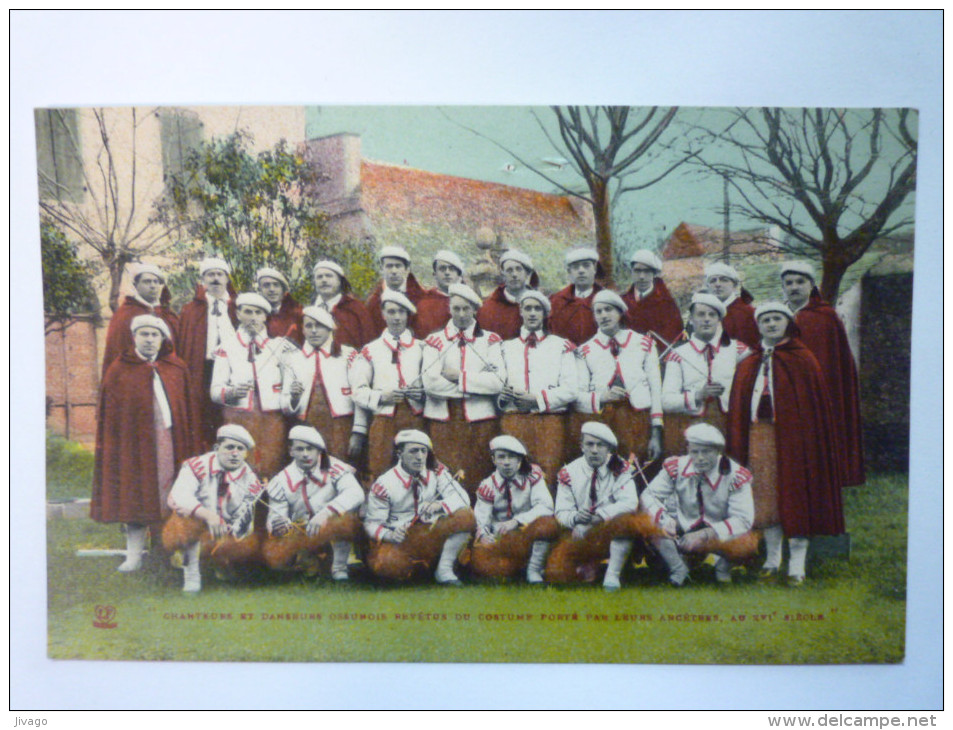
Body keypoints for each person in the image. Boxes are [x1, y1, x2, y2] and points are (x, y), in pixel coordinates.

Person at [726, 302, 845, 585]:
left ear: (787, 322)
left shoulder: (802, 359)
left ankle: (797, 565)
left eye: (776, 318)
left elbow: (813, 407)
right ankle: (771, 560)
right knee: (765, 498)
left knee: (796, 496)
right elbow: (740, 405)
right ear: (758, 326)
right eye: (765, 320)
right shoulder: (749, 362)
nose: (770, 324)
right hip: (759, 437)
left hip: (795, 440)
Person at [91, 315, 195, 572]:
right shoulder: (119, 369)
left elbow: (187, 410)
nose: (150, 340)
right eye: (144, 334)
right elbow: (112, 416)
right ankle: (134, 554)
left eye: (155, 335)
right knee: (136, 493)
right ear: (134, 337)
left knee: (170, 493)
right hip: (135, 446)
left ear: (163, 339)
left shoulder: (176, 368)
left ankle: (171, 551)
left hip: (170, 442)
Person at [780, 261, 865, 487]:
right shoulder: (779, 313)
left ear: (812, 285)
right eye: (789, 283)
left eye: (800, 282)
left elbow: (831, 357)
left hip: (820, 386)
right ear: (783, 287)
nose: (794, 287)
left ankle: (823, 477)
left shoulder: (824, 316)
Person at [641, 423, 757, 586]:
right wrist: (664, 519)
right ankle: (679, 569)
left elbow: (743, 519)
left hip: (718, 534)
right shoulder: (676, 467)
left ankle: (722, 569)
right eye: (695, 452)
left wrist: (705, 534)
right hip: (683, 528)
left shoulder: (735, 474)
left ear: (718, 451)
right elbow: (649, 496)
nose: (700, 457)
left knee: (748, 543)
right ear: (688, 450)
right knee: (649, 524)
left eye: (706, 452)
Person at [546, 422, 655, 590]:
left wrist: (601, 515)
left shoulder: (620, 468)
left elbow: (630, 502)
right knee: (557, 574)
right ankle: (590, 564)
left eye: (600, 445)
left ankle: (612, 575)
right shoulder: (568, 473)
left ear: (608, 449)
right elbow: (561, 511)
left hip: (611, 528)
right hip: (582, 532)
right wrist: (575, 517)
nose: (595, 450)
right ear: (581, 446)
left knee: (627, 522)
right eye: (590, 444)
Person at [422, 283, 504, 497]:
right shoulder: (434, 341)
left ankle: (478, 520)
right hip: (443, 420)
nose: (460, 314)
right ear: (449, 308)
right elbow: (430, 384)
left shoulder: (490, 341)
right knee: (445, 473)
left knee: (478, 472)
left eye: (466, 309)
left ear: (475, 310)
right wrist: (476, 386)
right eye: (456, 308)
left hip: (480, 421)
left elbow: (497, 382)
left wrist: (460, 377)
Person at [363, 430, 475, 585]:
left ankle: (444, 570)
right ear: (399, 453)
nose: (420, 456)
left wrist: (440, 505)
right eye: (413, 451)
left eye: (424, 451)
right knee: (387, 565)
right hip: (402, 538)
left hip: (430, 531)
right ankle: (418, 567)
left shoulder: (436, 472)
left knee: (465, 516)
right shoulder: (384, 484)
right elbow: (371, 524)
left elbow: (463, 498)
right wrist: (390, 535)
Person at [162, 424, 264, 592]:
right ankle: (192, 574)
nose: (235, 453)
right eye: (229, 447)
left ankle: (220, 562)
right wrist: (209, 516)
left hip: (219, 530)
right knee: (187, 521)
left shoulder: (249, 478)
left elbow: (246, 518)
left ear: (246, 453)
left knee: (247, 542)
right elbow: (177, 497)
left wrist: (234, 527)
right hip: (192, 526)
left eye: (240, 449)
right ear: (217, 448)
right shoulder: (197, 466)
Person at [209, 292, 294, 481]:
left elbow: (291, 382)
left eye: (258, 312)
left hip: (271, 418)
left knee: (271, 465)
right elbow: (215, 391)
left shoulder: (279, 346)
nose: (253, 317)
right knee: (241, 467)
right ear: (238, 314)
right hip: (239, 416)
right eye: (247, 312)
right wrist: (231, 392)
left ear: (265, 316)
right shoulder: (227, 347)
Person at [261, 425, 364, 580]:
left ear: (319, 451)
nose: (305, 454)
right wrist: (277, 524)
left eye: (310, 449)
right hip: (301, 530)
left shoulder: (334, 466)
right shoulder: (280, 480)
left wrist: (325, 513)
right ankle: (309, 561)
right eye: (300, 449)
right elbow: (275, 514)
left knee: (345, 520)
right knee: (275, 555)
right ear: (291, 451)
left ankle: (339, 566)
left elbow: (356, 493)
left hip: (330, 525)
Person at [574, 289, 664, 464]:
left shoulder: (643, 344)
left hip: (639, 419)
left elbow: (655, 389)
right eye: (598, 311)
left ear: (620, 312)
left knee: (639, 468)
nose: (604, 315)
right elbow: (578, 395)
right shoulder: (585, 351)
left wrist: (656, 432)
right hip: (604, 420)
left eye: (609, 309)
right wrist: (602, 397)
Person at [499, 290, 577, 483]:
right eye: (528, 308)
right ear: (521, 312)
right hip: (514, 421)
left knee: (548, 474)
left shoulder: (561, 346)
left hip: (549, 423)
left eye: (537, 309)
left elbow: (571, 389)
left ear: (545, 314)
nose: (532, 313)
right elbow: (497, 384)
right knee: (515, 476)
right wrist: (503, 398)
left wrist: (537, 400)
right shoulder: (505, 347)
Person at [661, 292, 753, 454]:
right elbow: (667, 401)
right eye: (701, 314)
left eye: (712, 315)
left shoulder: (738, 350)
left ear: (719, 320)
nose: (706, 319)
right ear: (690, 319)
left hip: (730, 425)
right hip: (693, 426)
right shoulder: (678, 354)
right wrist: (698, 395)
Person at [348, 290, 426, 479]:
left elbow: (433, 383)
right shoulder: (370, 350)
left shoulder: (422, 348)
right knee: (380, 469)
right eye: (391, 312)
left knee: (417, 471)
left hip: (415, 419)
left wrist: (422, 394)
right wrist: (382, 396)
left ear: (408, 315)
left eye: (401, 312)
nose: (397, 317)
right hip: (383, 421)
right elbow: (357, 391)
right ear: (383, 314)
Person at [280, 305, 364, 462]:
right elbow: (285, 405)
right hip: (307, 426)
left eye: (319, 326)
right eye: (308, 326)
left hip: (341, 427)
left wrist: (358, 432)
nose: (313, 331)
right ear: (303, 330)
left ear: (330, 329)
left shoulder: (348, 355)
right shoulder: (293, 359)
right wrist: (294, 397)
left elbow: (359, 396)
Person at [471, 435, 559, 583]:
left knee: (547, 525)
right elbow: (481, 519)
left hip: (527, 532)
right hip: (502, 538)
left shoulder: (532, 476)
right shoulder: (487, 486)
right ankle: (513, 568)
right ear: (494, 460)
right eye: (501, 457)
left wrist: (517, 521)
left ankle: (534, 569)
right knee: (483, 564)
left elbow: (546, 506)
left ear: (519, 460)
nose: (506, 463)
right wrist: (484, 536)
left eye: (511, 457)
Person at [177, 257, 239, 450]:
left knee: (230, 416)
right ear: (203, 280)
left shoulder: (238, 307)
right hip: (203, 370)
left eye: (219, 274)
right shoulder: (191, 310)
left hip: (232, 372)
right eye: (210, 275)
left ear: (227, 279)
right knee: (204, 417)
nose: (215, 279)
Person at [101, 263, 180, 378]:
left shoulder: (168, 315)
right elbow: (116, 351)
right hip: (133, 377)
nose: (153, 286)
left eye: (156, 282)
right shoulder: (125, 315)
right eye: (147, 282)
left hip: (167, 376)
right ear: (135, 285)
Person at [620, 249, 684, 349]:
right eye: (637, 271)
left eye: (647, 271)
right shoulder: (622, 303)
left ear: (654, 274)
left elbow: (673, 338)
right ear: (631, 272)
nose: (642, 276)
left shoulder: (667, 304)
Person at [364, 246, 429, 335]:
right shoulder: (373, 304)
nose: (394, 271)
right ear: (382, 269)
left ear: (407, 269)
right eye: (389, 266)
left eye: (398, 266)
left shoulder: (422, 298)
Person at [311, 260, 376, 349]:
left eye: (329, 276)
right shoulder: (308, 312)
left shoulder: (356, 309)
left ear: (339, 281)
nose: (324, 280)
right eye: (319, 277)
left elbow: (370, 343)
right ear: (314, 282)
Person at [476, 249, 539, 340]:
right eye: (509, 270)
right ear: (503, 274)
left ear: (527, 273)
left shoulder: (539, 306)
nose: (514, 274)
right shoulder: (487, 309)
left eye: (518, 269)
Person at [548, 248, 604, 346]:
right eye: (576, 267)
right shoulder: (556, 301)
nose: (581, 271)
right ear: (569, 271)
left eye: (586, 266)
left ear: (595, 268)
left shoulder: (606, 299)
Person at [705, 261, 759, 348]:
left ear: (734, 285)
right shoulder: (703, 312)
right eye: (713, 281)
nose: (717, 284)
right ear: (708, 286)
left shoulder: (747, 312)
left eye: (724, 280)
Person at [414, 250, 465, 338]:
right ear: (434, 275)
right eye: (442, 269)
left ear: (459, 275)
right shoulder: (424, 304)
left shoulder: (468, 302)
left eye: (451, 269)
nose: (447, 273)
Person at [256, 267, 303, 344]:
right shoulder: (254, 312)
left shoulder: (296, 312)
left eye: (276, 285)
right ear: (260, 290)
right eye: (266, 285)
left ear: (283, 290)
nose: (271, 289)